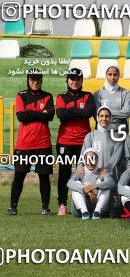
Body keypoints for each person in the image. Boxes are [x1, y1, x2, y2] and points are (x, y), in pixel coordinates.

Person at [8, 69, 54, 216]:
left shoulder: (48, 96)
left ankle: (45, 207)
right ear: (28, 80)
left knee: (44, 176)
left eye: (38, 79)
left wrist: (31, 113)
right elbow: (21, 116)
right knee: (19, 175)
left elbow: (51, 115)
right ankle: (13, 207)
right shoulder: (21, 95)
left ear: (41, 80)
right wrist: (41, 114)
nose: (35, 82)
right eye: (32, 79)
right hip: (24, 143)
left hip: (43, 143)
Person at [55, 68, 96, 215]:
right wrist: (79, 112)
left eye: (78, 79)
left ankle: (86, 202)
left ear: (82, 81)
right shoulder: (61, 96)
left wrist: (70, 111)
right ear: (67, 80)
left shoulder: (88, 96)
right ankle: (62, 204)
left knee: (86, 173)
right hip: (65, 141)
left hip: (84, 142)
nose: (75, 81)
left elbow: (89, 112)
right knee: (64, 173)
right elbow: (61, 114)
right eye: (72, 79)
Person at [67, 148, 115, 220]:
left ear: (97, 160)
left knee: (105, 186)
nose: (90, 162)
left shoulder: (102, 172)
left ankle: (97, 213)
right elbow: (69, 183)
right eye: (88, 159)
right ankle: (84, 212)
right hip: (79, 210)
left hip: (98, 206)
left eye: (93, 158)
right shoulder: (80, 172)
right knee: (77, 183)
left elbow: (111, 183)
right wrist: (86, 189)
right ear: (84, 159)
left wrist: (95, 186)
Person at [78, 106, 124, 180]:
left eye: (107, 116)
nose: (104, 119)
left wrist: (108, 168)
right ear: (97, 117)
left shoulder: (117, 136)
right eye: (101, 116)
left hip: (111, 176)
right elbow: (83, 154)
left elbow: (116, 156)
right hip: (94, 176)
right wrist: (80, 166)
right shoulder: (90, 136)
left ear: (111, 118)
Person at [93, 63, 130, 133]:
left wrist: (105, 115)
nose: (112, 78)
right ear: (106, 75)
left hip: (120, 132)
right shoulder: (97, 94)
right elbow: (97, 115)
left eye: (115, 75)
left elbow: (127, 113)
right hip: (102, 132)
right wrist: (119, 115)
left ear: (119, 75)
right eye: (110, 74)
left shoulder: (126, 93)